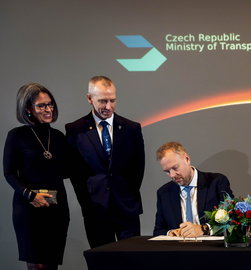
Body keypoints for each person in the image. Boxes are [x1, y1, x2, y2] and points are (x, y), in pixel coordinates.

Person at [65, 76, 145, 248]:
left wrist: (127, 195)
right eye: (102, 101)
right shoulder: (75, 129)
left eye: (112, 100)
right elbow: (75, 172)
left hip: (127, 209)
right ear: (89, 99)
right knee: (102, 262)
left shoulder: (132, 128)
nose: (108, 107)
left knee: (134, 261)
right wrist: (87, 203)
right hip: (96, 210)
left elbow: (138, 168)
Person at [3, 83, 70, 270]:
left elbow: (66, 171)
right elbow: (9, 173)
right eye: (41, 105)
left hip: (57, 208)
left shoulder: (58, 136)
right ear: (28, 108)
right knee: (37, 266)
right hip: (29, 208)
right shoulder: (16, 135)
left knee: (51, 265)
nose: (48, 109)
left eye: (50, 104)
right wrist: (31, 195)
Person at [153, 142, 234, 237]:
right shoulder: (163, 193)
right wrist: (169, 233)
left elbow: (232, 219)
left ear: (187, 159)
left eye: (175, 168)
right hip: (179, 249)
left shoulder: (217, 182)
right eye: (167, 171)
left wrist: (203, 229)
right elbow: (158, 230)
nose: (172, 175)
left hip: (211, 248)